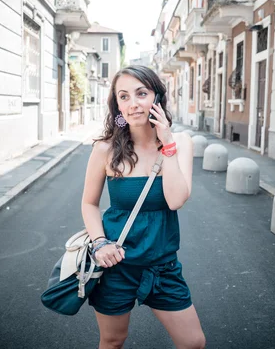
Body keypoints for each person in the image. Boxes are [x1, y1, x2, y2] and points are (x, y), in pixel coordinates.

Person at [81, 65, 206, 349]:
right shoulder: (105, 149)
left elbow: (176, 200)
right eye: (123, 96)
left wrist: (168, 144)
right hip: (116, 264)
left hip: (162, 265)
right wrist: (100, 243)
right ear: (117, 105)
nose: (133, 104)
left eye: (141, 93)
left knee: (193, 342)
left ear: (157, 97)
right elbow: (89, 204)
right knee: (112, 341)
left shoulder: (180, 143)